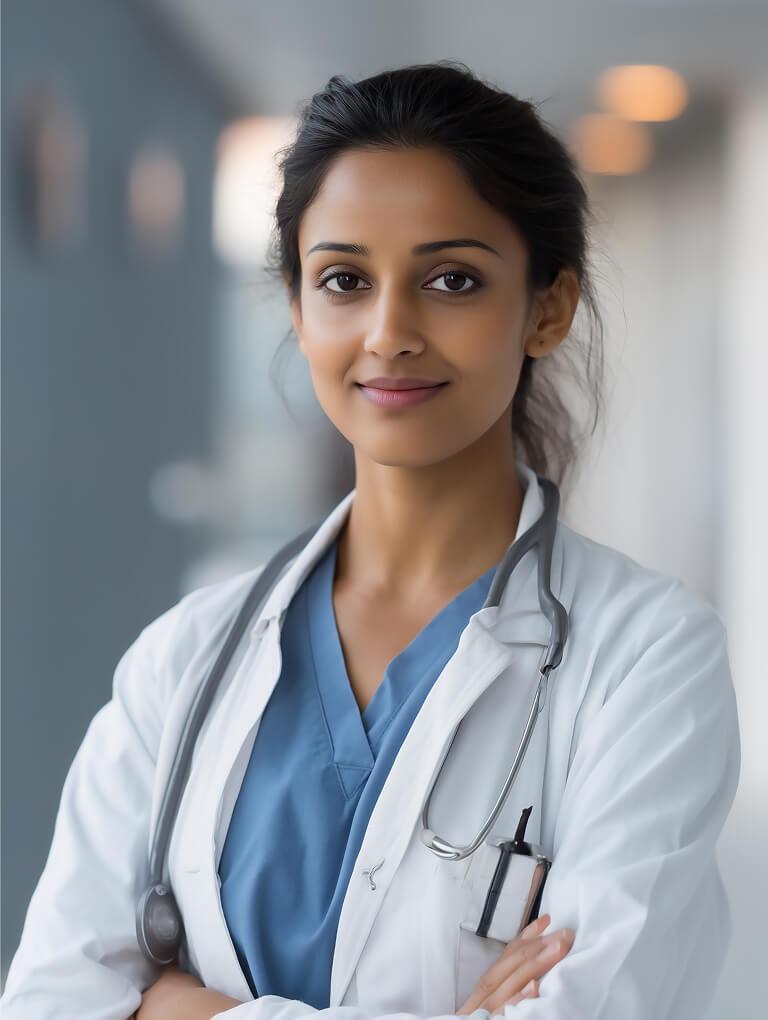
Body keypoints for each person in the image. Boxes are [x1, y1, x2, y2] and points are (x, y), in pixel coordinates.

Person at [1, 62, 739, 1020]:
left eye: (452, 280)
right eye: (344, 279)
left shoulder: (648, 659)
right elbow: (50, 1001)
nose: (390, 332)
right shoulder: (184, 660)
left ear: (546, 309)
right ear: (300, 309)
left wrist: (185, 1010)